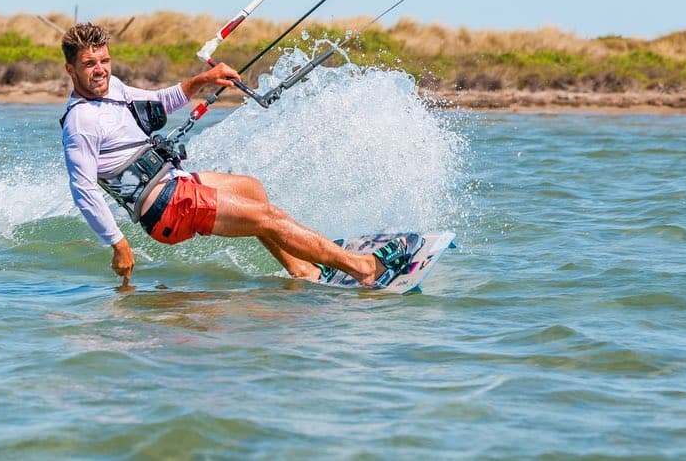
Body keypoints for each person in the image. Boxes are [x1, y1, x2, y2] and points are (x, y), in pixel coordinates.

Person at [59, 22, 419, 289]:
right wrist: (118, 244)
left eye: (104, 60)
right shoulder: (80, 122)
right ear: (71, 69)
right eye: (89, 64)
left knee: (251, 189)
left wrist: (204, 80)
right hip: (167, 207)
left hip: (174, 184)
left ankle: (302, 269)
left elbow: (158, 102)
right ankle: (363, 269)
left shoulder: (113, 88)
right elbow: (83, 190)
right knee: (270, 218)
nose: (100, 70)